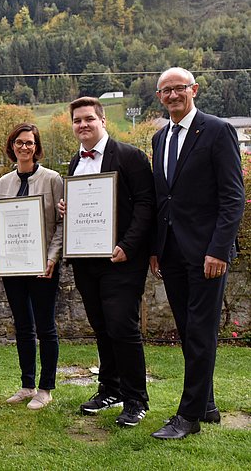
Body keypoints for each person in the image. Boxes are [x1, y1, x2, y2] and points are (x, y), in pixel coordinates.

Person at [149, 68, 245, 439]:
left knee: (201, 332)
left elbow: (233, 197)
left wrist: (219, 249)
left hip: (208, 254)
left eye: (179, 89)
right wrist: (157, 249)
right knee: (189, 331)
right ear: (159, 96)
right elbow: (164, 198)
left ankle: (187, 417)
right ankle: (206, 405)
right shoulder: (159, 138)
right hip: (171, 254)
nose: (173, 96)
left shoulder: (217, 130)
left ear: (194, 90)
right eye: (166, 90)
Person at [61, 97, 155, 427]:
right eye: (77, 120)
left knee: (122, 327)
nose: (83, 125)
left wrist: (128, 246)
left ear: (103, 121)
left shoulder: (130, 156)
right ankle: (110, 389)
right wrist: (66, 209)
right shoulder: (76, 161)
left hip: (122, 260)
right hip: (87, 259)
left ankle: (136, 399)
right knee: (101, 326)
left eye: (89, 119)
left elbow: (146, 205)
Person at [0, 123, 63, 410]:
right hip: (13, 265)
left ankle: (46, 389)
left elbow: (60, 224)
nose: (24, 147)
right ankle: (26, 385)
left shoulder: (52, 179)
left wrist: (52, 258)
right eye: (19, 142)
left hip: (43, 265)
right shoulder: (3, 183)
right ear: (12, 146)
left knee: (45, 327)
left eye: (30, 143)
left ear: (37, 147)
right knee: (22, 326)